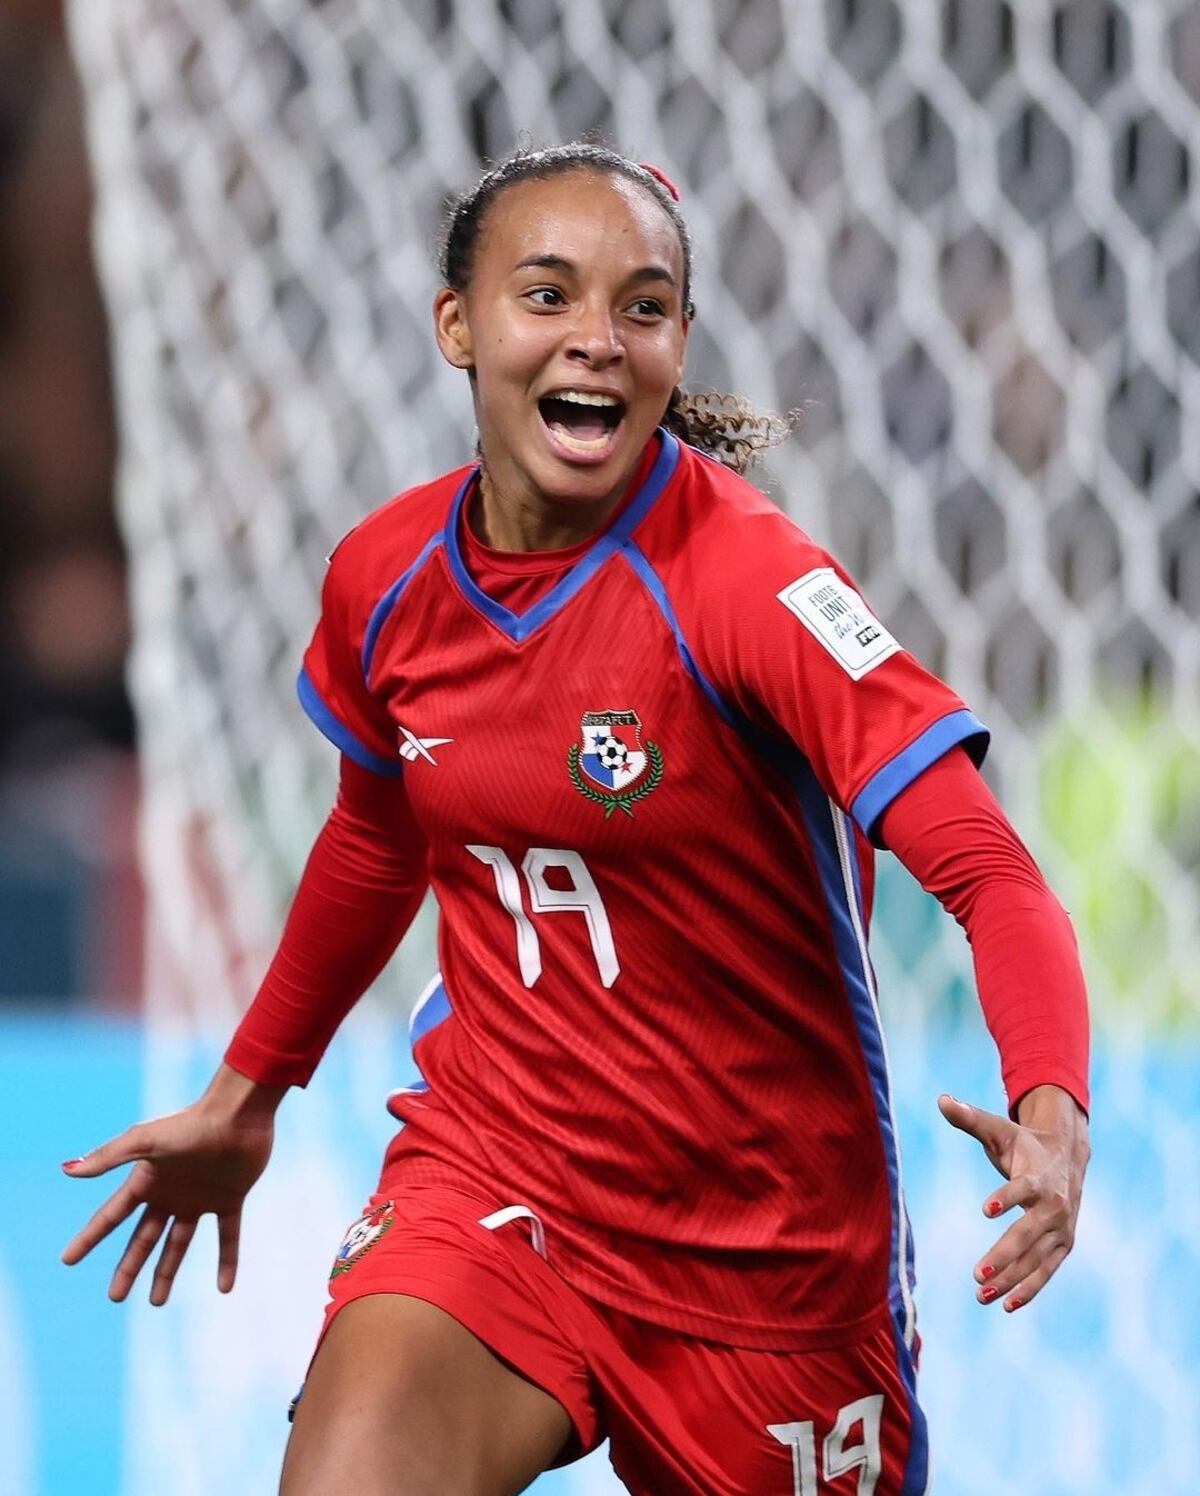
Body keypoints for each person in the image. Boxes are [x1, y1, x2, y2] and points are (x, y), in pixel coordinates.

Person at [62, 144, 1090, 1496]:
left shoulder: (749, 586)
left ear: (678, 342)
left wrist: (1054, 1115)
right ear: (459, 325)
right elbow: (379, 842)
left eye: (643, 307)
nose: (596, 341)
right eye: (546, 296)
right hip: (501, 1174)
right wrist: (248, 1097)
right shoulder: (385, 580)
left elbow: (988, 871)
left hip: (766, 1255)